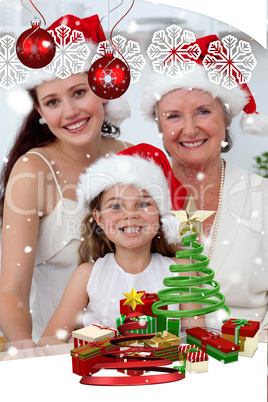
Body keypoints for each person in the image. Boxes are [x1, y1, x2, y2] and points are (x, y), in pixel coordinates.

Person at [0, 14, 132, 353]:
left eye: (79, 92)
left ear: (103, 92)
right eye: (53, 102)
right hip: (60, 355)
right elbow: (11, 291)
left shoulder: (130, 158)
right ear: (41, 112)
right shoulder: (32, 173)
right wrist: (31, 359)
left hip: (132, 347)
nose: (70, 111)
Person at [142, 34, 268, 337]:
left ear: (226, 118)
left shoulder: (262, 196)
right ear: (160, 127)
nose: (189, 128)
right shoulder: (139, 195)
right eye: (173, 116)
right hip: (159, 359)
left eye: (203, 111)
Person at [38, 146, 208, 347]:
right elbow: (48, 344)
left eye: (144, 204)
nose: (130, 215)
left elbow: (198, 345)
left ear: (161, 214)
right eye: (116, 206)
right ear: (99, 219)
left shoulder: (182, 273)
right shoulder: (87, 275)